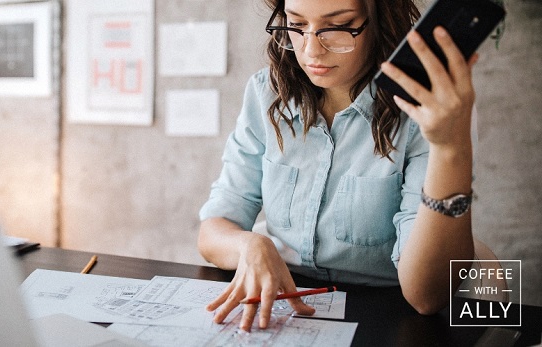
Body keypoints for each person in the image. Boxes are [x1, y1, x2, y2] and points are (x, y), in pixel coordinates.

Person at [198, 0, 478, 332]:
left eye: (337, 27)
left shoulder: (428, 112)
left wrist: (449, 149)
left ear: (380, 23)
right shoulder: (267, 92)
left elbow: (426, 297)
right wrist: (250, 244)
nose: (311, 49)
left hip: (386, 315)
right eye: (298, 25)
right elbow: (214, 228)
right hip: (288, 309)